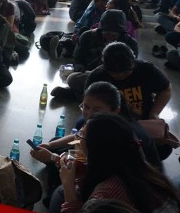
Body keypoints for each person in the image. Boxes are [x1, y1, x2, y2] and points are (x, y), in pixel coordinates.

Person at [31, 81, 162, 205]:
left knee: (62, 180)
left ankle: (58, 192)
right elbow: (78, 137)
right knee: (56, 145)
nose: (88, 113)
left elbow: (90, 165)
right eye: (85, 106)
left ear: (115, 110)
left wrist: (55, 160)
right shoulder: (105, 122)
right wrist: (51, 146)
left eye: (96, 110)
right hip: (110, 167)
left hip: (127, 181)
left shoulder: (112, 133)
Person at [52, 113, 180, 213]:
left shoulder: (106, 193)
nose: (77, 140)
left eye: (81, 136)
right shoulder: (136, 165)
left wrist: (68, 183)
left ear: (97, 148)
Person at [51, 10, 138, 100]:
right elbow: (78, 59)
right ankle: (105, 98)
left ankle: (78, 95)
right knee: (73, 79)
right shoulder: (87, 36)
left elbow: (132, 68)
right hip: (92, 75)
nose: (111, 36)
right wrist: (82, 69)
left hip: (118, 77)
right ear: (101, 29)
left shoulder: (130, 43)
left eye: (115, 33)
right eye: (107, 32)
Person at [86, 42, 171, 122]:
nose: (120, 76)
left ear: (134, 62)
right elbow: (87, 102)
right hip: (107, 120)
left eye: (126, 72)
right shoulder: (97, 76)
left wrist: (154, 113)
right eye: (114, 73)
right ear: (105, 67)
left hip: (143, 118)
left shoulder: (146, 69)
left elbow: (166, 90)